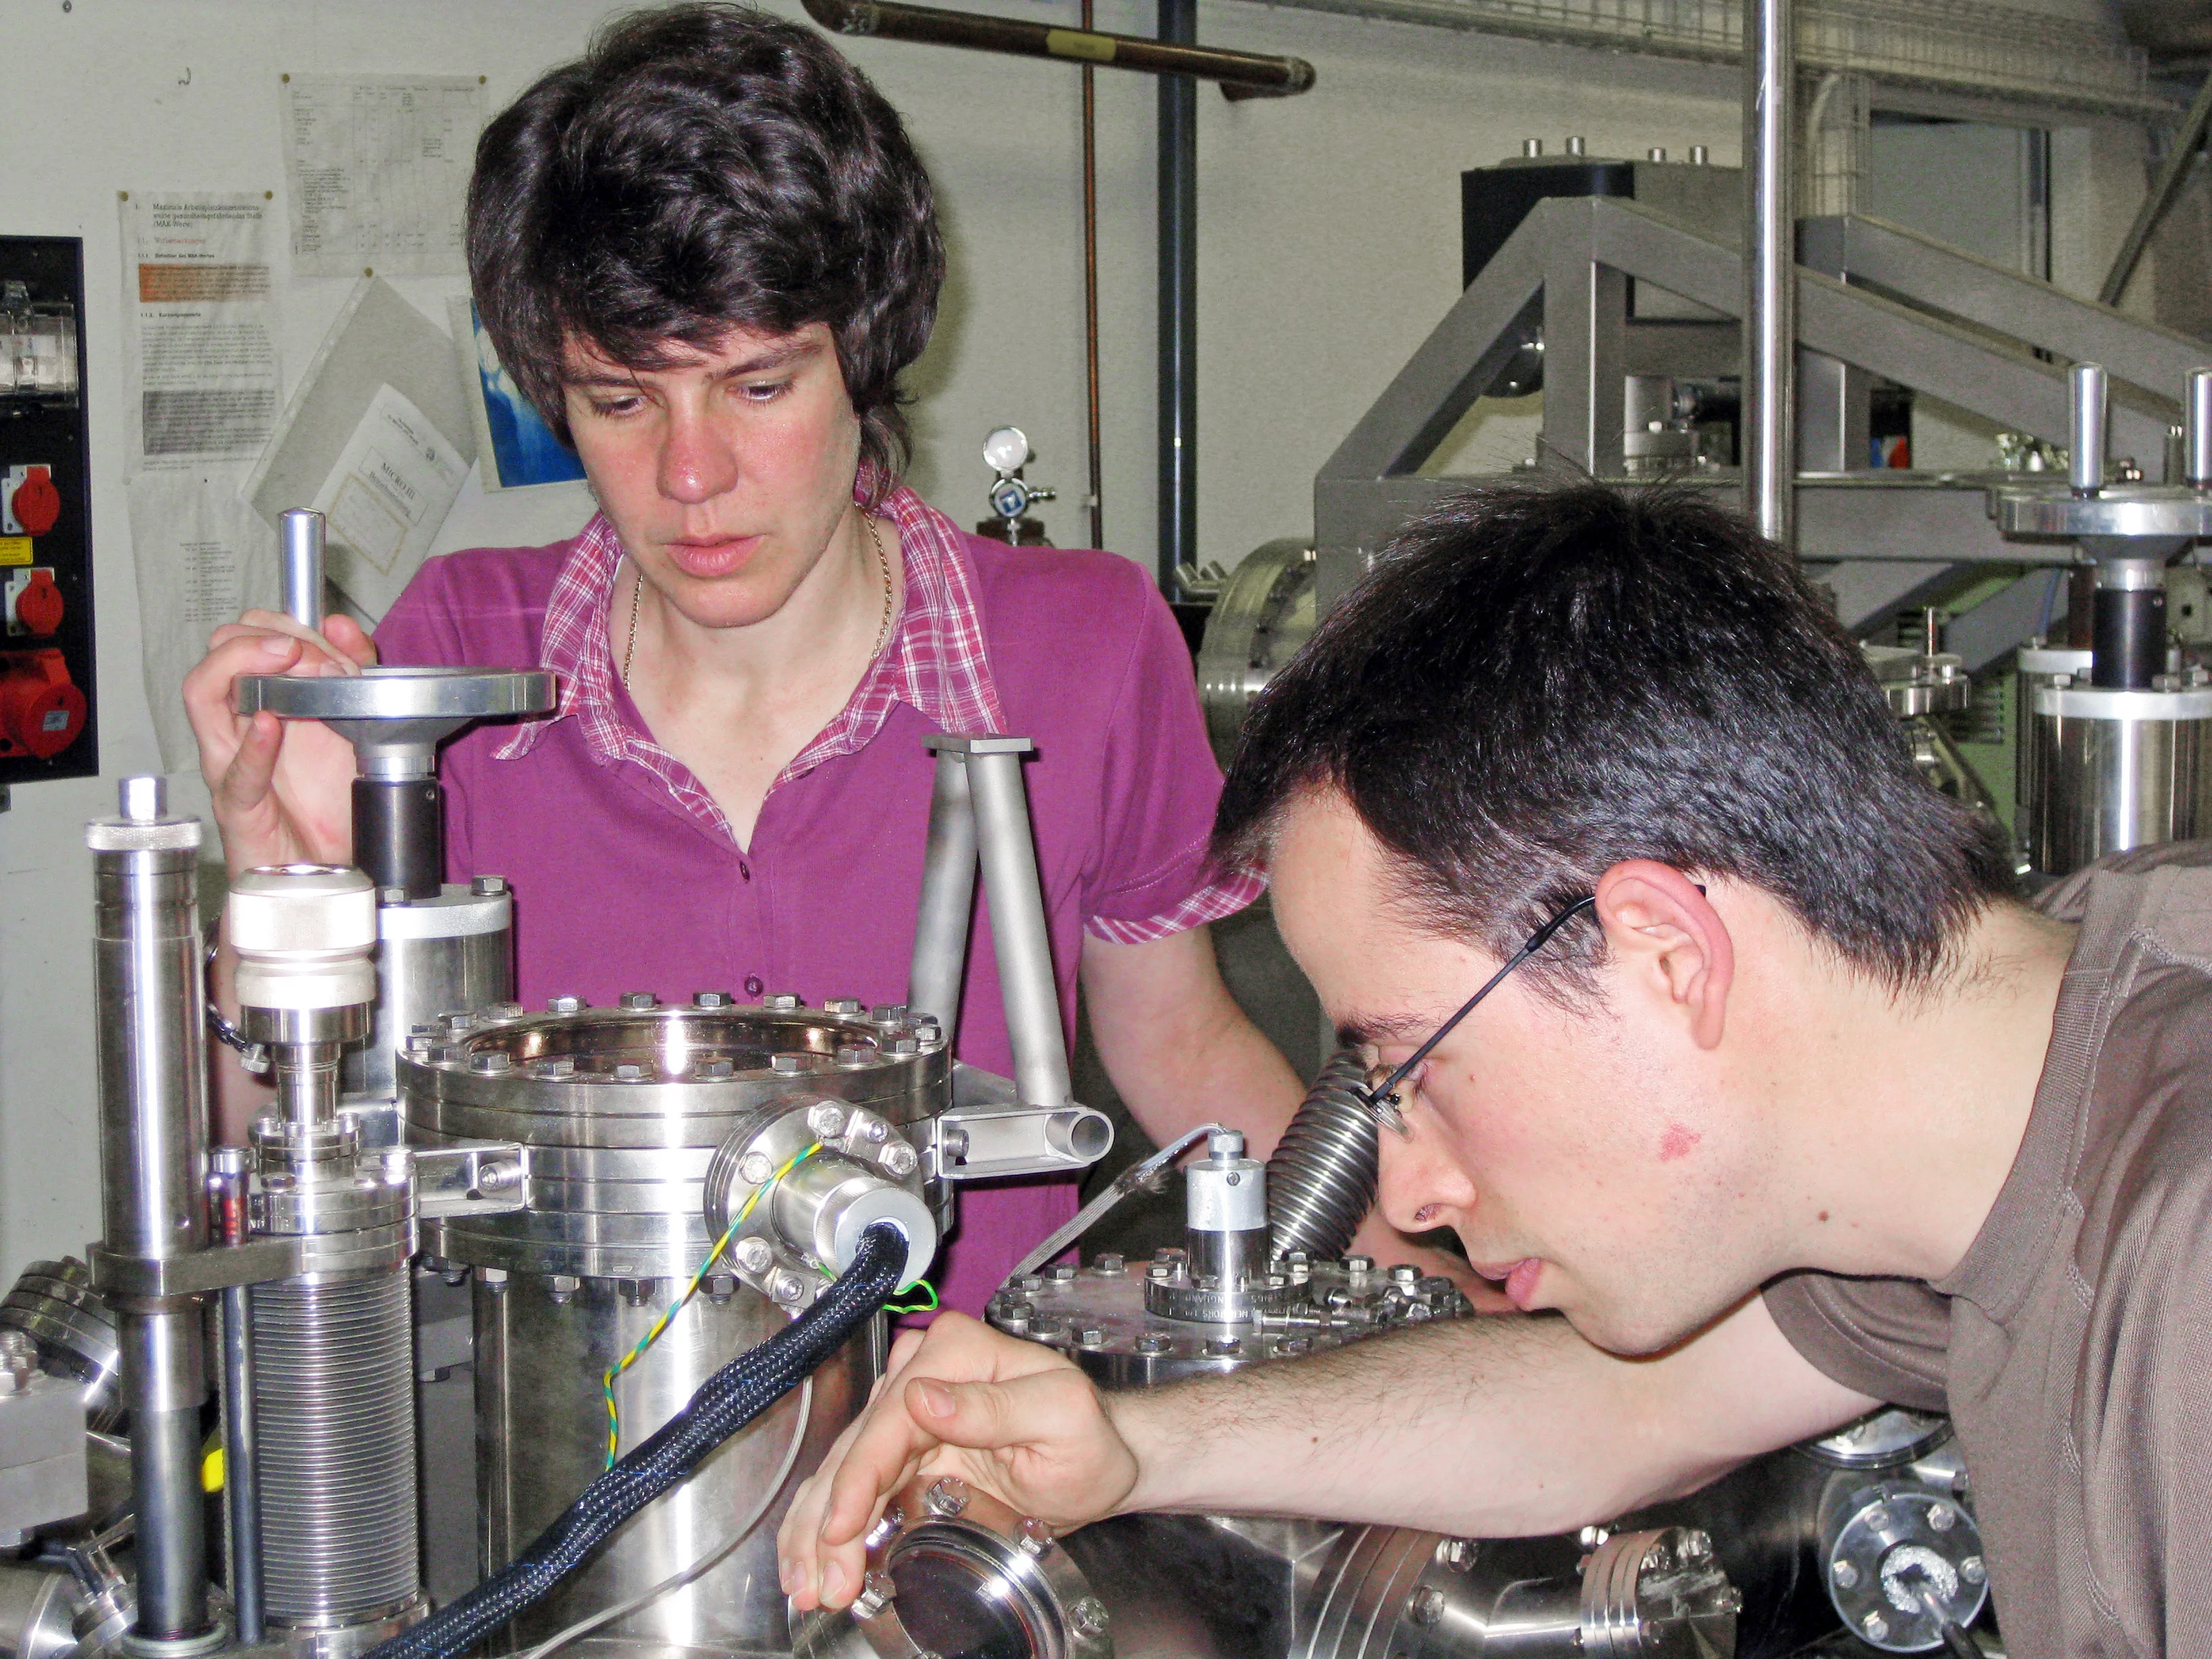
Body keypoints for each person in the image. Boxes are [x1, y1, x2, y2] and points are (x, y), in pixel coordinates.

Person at [779, 481, 2212, 1658]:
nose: (1410, 1181)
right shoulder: (1978, 1103)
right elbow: (1627, 1409)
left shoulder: (2185, 1268)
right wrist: (1133, 1445)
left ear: (1663, 949)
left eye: (1413, 1070)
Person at [181, 3, 1454, 1313]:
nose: (690, 474)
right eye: (621, 403)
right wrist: (280, 889)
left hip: (959, 1461)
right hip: (560, 1457)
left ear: (867, 355)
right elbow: (262, 1146)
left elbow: (1179, 1047)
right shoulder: (451, 674)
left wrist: (1428, 1299)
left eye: (760, 387)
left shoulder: (1078, 650)